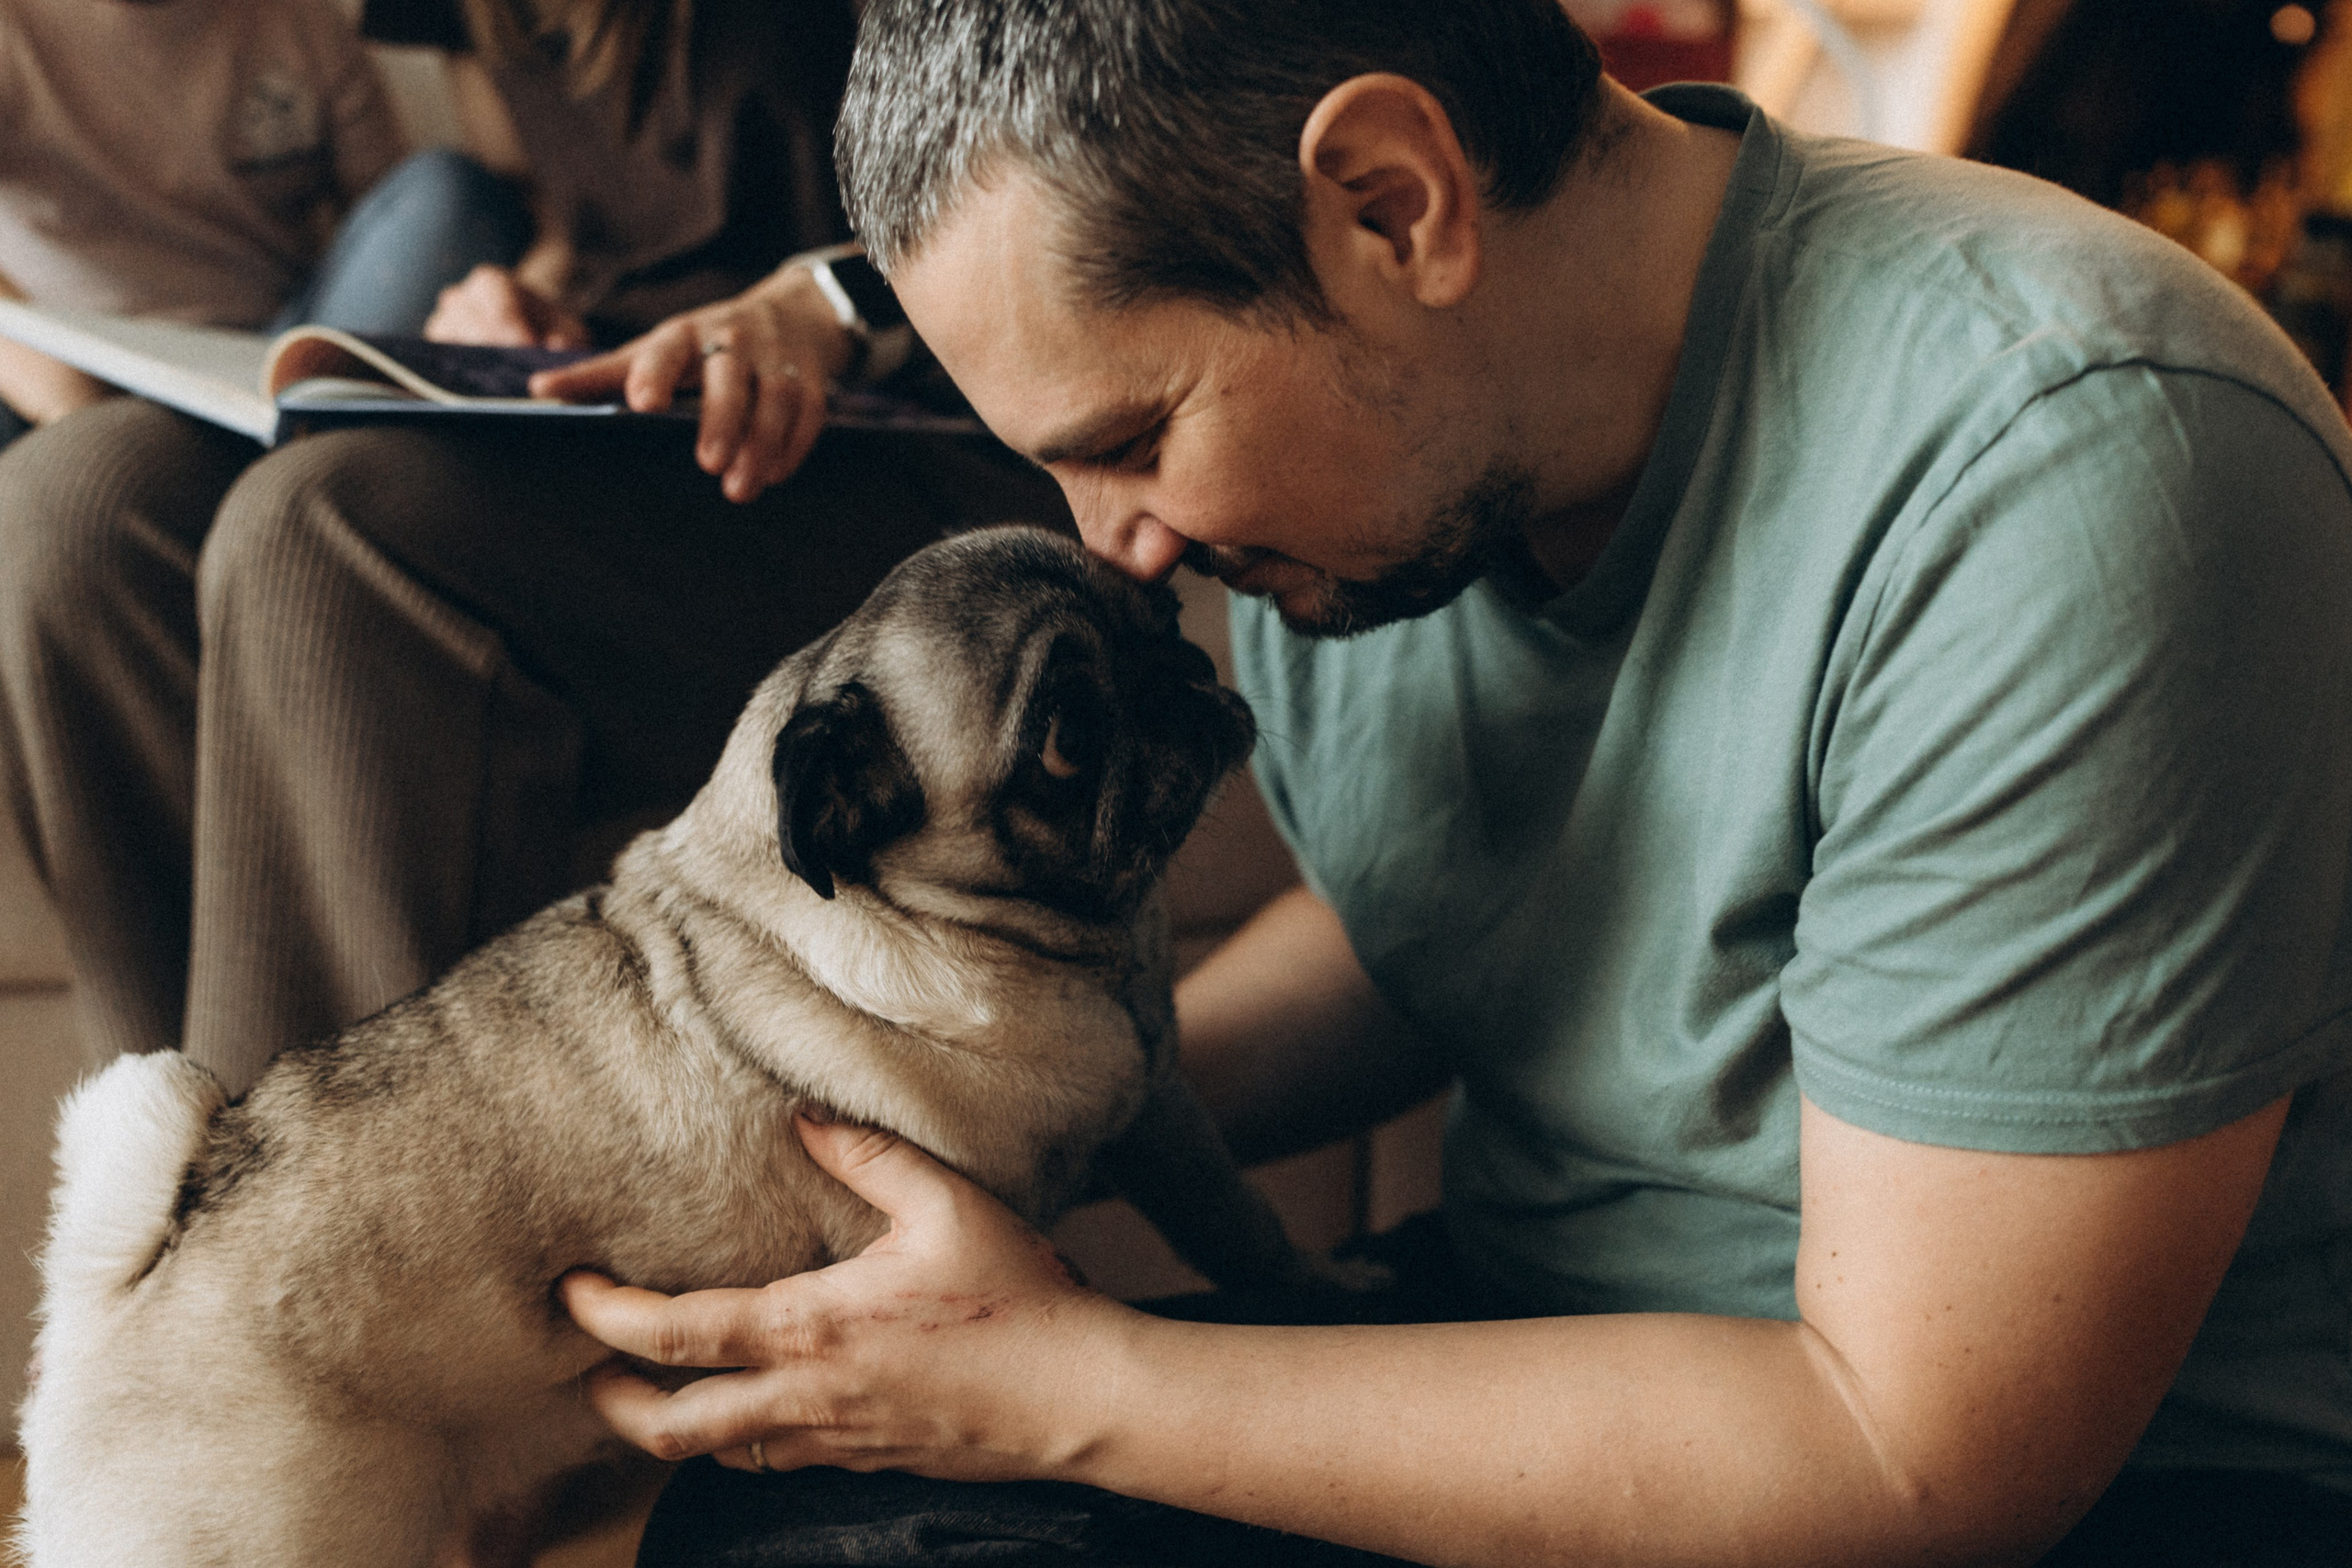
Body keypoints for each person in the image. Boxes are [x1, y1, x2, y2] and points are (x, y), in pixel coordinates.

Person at [554, 3, 2352, 1565]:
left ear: (1390, 203)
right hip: (1549, 1330)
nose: (1115, 552)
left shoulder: (2072, 465)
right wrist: (995, 1120)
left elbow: (1916, 1458)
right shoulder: (1398, 483)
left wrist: (1066, 1385)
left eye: (1129, 439)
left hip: (2056, 1492)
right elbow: (1418, 923)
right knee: (772, 1520)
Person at [0, 0, 1058, 1093]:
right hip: (628, 403)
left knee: (325, 526)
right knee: (76, 504)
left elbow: (1064, 165)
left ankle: (292, 1226)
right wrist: (521, 294)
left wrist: (825, 303)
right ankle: (153, 1158)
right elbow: (565, 214)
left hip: (879, 426)